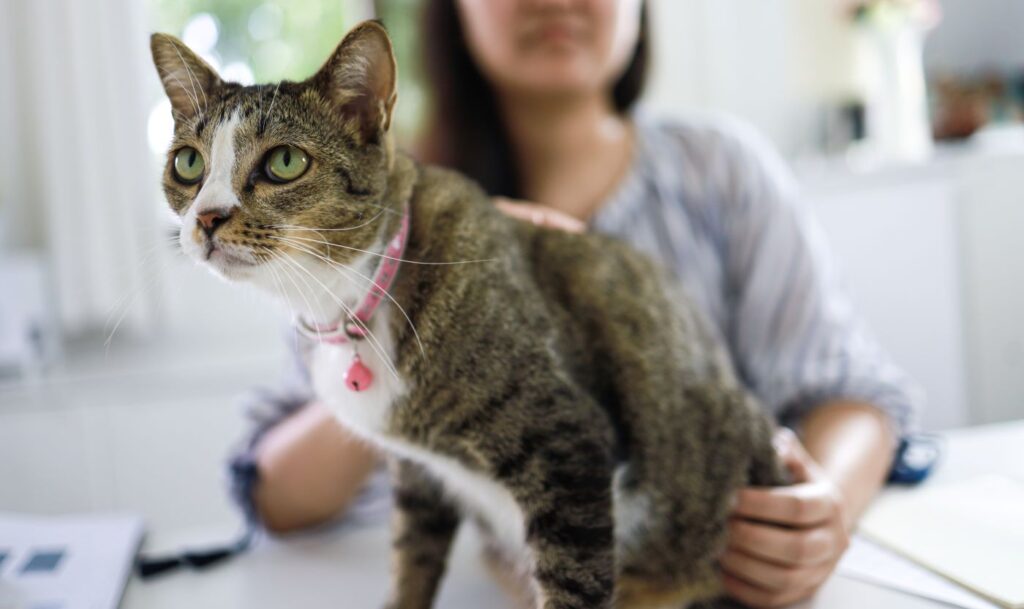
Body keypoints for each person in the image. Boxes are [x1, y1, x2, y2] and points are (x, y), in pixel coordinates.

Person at [227, 1, 922, 607]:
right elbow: (272, 493)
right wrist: (401, 346)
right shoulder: (360, 209)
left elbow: (855, 391)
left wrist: (822, 510)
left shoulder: (723, 170)